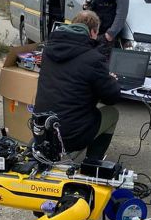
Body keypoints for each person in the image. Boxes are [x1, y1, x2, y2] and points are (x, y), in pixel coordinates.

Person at [34, 10, 121, 161]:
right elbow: (111, 97)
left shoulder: (47, 51)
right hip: (70, 135)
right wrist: (110, 80)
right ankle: (92, 164)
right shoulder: (93, 58)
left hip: (42, 130)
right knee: (112, 113)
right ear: (93, 33)